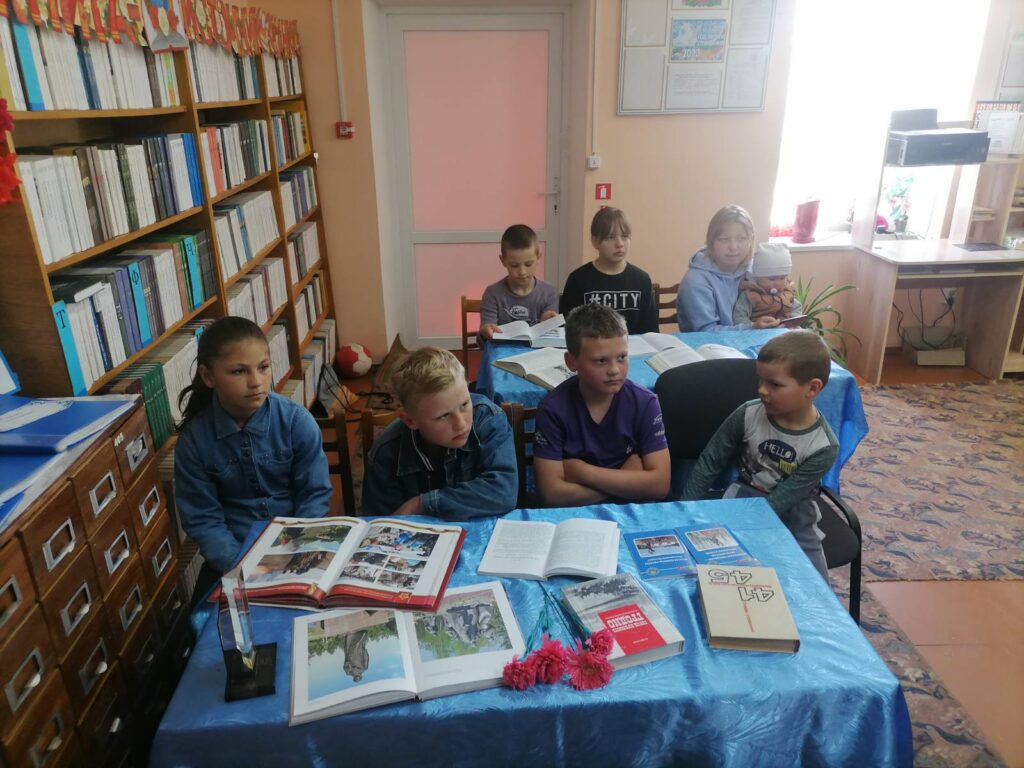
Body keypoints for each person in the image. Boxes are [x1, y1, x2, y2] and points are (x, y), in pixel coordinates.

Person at [174, 317, 332, 598]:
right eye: (239, 371)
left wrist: (295, 553)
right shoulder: (194, 441)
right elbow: (203, 518)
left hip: (298, 548)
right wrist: (240, 566)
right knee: (203, 621)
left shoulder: (297, 422)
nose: (256, 382)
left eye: (263, 367)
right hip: (232, 558)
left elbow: (314, 495)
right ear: (208, 377)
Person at [681, 331, 838, 579]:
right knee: (719, 573)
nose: (762, 390)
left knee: (813, 583)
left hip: (794, 513)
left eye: (774, 384)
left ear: (812, 388)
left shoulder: (823, 446)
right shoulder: (746, 414)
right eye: (761, 380)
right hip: (742, 497)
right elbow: (711, 461)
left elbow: (782, 500)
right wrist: (685, 509)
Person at [533, 303, 670, 506]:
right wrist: (626, 481)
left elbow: (660, 485)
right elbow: (551, 494)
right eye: (600, 361)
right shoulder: (553, 409)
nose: (614, 370)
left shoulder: (645, 403)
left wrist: (583, 472)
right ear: (571, 362)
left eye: (622, 357)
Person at [361, 347, 517, 519]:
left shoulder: (488, 419)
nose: (461, 424)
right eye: (443, 416)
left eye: (465, 404)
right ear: (410, 421)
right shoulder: (386, 453)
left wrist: (421, 504)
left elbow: (504, 492)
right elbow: (381, 524)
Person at [677, 204, 777, 332]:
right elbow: (705, 332)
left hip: (756, 342)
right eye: (724, 239)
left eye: (741, 238)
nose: (733, 247)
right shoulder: (695, 281)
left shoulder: (755, 270)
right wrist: (752, 328)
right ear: (711, 242)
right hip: (707, 344)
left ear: (751, 240)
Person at [559, 207, 658, 335]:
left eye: (625, 236)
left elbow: (651, 330)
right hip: (592, 347)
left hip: (633, 346)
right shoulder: (578, 280)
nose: (620, 244)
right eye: (610, 237)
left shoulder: (642, 279)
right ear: (595, 241)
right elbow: (568, 329)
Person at [479, 224, 560, 340]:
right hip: (503, 349)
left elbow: (550, 339)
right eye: (514, 265)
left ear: (538, 258)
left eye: (528, 264)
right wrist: (486, 331)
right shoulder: (493, 293)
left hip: (536, 350)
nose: (522, 272)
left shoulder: (549, 293)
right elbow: (487, 332)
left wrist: (547, 324)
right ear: (503, 260)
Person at [733, 243, 803, 325]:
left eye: (782, 278)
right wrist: (753, 326)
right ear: (757, 277)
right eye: (772, 279)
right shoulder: (750, 295)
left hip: (785, 329)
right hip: (759, 330)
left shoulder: (787, 292)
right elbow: (739, 317)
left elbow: (797, 307)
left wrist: (793, 320)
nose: (778, 283)